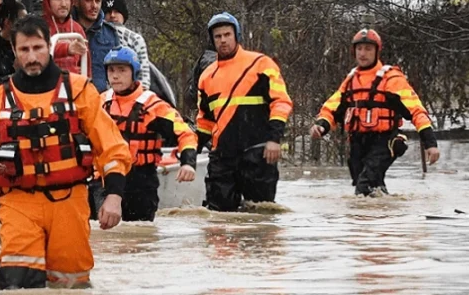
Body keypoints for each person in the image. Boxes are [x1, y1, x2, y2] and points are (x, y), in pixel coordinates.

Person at [0, 15, 132, 290]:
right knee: (17, 281)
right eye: (25, 50)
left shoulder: (79, 90)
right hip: (19, 202)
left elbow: (110, 144)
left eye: (38, 48)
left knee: (70, 282)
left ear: (48, 47)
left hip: (70, 200)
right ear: (15, 52)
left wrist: (114, 196)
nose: (32, 56)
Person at [310, 28, 440, 196]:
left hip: (385, 141)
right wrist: (321, 126)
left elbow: (417, 111)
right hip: (358, 141)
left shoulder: (391, 78)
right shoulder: (350, 80)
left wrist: (430, 144)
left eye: (368, 49)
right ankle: (382, 214)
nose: (363, 53)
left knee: (364, 187)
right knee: (369, 187)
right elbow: (332, 108)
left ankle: (366, 216)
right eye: (359, 49)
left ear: (377, 51)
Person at [196, 12, 293, 212]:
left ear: (236, 35)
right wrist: (189, 153)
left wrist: (275, 139)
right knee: (218, 220)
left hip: (258, 153)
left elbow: (281, 102)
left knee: (260, 218)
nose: (223, 40)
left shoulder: (260, 64)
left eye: (227, 35)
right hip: (223, 157)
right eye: (218, 36)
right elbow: (205, 121)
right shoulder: (206, 76)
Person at [99, 46, 197, 221]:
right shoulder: (100, 103)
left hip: (140, 182)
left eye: (122, 70)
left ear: (134, 72)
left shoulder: (153, 105)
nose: (115, 76)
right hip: (105, 180)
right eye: (111, 70)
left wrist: (188, 163)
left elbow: (185, 134)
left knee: (139, 238)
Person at [73, 0, 149, 91]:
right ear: (76, 2)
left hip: (104, 100)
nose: (94, 5)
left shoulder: (110, 33)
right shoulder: (67, 30)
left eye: (98, 1)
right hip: (75, 97)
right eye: (88, 0)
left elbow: (118, 71)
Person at [101, 0, 151, 89]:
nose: (112, 15)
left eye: (116, 11)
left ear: (123, 14)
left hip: (130, 95)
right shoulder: (96, 37)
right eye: (108, 12)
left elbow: (144, 78)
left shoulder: (135, 39)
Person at [40, 0, 87, 75]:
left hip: (74, 84)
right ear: (47, 1)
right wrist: (66, 48)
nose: (63, 4)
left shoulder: (77, 28)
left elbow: (86, 60)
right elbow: (37, 52)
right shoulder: (38, 26)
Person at [0, 0, 27, 82]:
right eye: (22, 21)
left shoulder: (27, 44)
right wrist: (15, 71)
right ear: (8, 22)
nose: (26, 24)